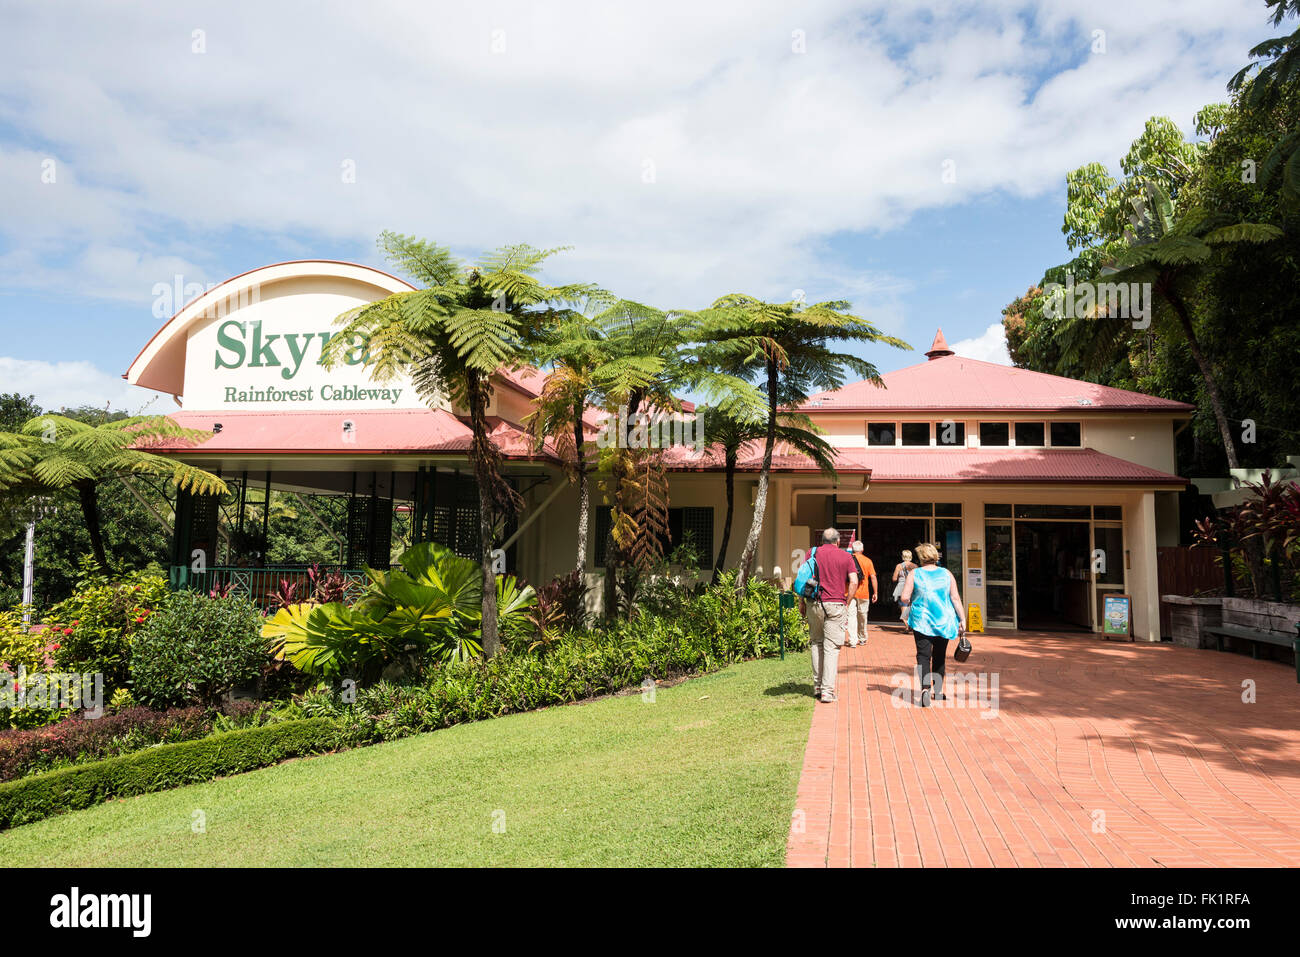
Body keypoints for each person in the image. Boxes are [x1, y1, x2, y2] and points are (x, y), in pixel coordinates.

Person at [899, 542, 965, 708]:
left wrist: (914, 599)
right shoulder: (946, 574)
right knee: (940, 655)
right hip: (944, 620)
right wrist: (962, 619)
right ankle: (939, 690)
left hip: (922, 620)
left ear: (921, 558)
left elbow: (905, 597)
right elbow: (955, 598)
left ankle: (924, 690)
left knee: (923, 655)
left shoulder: (915, 573)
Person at [800, 528, 858, 704]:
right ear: (838, 541)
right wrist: (847, 601)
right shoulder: (846, 556)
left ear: (822, 540)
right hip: (836, 604)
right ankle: (827, 691)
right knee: (831, 648)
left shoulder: (812, 552)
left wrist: (802, 602)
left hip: (814, 603)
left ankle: (817, 686)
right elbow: (854, 581)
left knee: (817, 643)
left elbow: (803, 577)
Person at [847, 540, 877, 647]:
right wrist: (875, 592)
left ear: (853, 549)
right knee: (863, 616)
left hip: (850, 593)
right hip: (864, 593)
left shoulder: (848, 559)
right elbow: (873, 577)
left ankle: (852, 640)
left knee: (851, 616)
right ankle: (862, 638)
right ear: (862, 550)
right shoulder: (868, 561)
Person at [891, 549, 916, 622]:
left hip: (902, 588)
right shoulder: (915, 566)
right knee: (911, 606)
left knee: (903, 605)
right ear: (911, 557)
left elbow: (894, 579)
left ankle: (907, 626)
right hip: (912, 587)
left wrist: (900, 578)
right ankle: (911, 624)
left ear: (903, 557)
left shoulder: (899, 566)